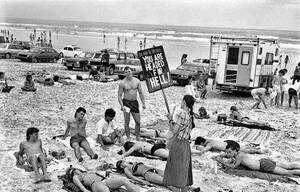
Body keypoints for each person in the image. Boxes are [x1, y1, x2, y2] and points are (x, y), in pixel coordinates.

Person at [164, 95, 195, 192]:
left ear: (184, 102)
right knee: (183, 174)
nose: (180, 102)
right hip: (186, 145)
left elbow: (174, 130)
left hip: (179, 144)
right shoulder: (190, 114)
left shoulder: (182, 113)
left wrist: (170, 119)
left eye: (182, 100)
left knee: (176, 175)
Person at [214, 141, 300, 176]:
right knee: (288, 166)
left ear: (235, 150)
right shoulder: (239, 154)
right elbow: (231, 158)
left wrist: (221, 161)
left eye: (229, 152)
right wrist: (223, 156)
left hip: (264, 165)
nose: (228, 154)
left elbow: (233, 166)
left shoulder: (240, 156)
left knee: (288, 172)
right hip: (263, 161)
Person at [118, 66, 146, 141]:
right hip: (126, 103)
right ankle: (128, 137)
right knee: (127, 121)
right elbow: (119, 95)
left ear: (132, 72)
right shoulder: (122, 83)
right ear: (124, 73)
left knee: (138, 121)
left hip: (134, 103)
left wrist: (143, 103)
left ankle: (137, 136)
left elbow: (141, 93)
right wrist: (121, 105)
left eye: (129, 71)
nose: (128, 73)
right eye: (126, 72)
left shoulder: (137, 81)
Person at [67, 167, 140, 192]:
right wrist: (85, 190)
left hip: (104, 180)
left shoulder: (86, 172)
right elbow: (80, 186)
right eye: (73, 172)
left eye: (75, 169)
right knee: (105, 190)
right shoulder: (75, 177)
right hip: (94, 184)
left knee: (123, 180)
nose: (75, 171)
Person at [193, 136, 268, 155]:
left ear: (202, 143)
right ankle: (257, 148)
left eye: (200, 145)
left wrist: (197, 148)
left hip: (229, 146)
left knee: (247, 151)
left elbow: (204, 150)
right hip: (228, 142)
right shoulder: (208, 140)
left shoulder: (209, 144)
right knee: (243, 147)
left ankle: (260, 151)